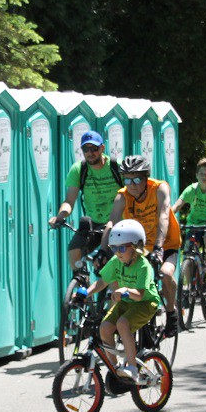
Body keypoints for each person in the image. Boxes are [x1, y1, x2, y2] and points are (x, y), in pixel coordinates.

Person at [108, 155, 181, 337]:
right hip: (140, 247)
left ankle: (171, 312)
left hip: (166, 243)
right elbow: (112, 223)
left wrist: (158, 247)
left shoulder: (159, 188)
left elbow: (163, 216)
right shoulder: (122, 196)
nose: (132, 185)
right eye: (127, 180)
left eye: (137, 180)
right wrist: (105, 248)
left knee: (165, 274)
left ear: (146, 177)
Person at [81, 219, 161, 383]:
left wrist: (125, 290)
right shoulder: (116, 261)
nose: (118, 252)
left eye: (122, 248)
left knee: (122, 324)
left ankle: (132, 368)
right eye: (114, 248)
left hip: (146, 303)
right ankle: (115, 369)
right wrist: (85, 294)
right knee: (104, 328)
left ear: (136, 247)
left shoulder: (143, 266)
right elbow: (102, 282)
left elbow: (139, 295)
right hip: (127, 301)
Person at [51, 130, 122, 269]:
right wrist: (60, 216)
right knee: (74, 251)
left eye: (94, 148)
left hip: (117, 223)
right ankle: (81, 280)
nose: (90, 153)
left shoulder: (117, 167)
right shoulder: (79, 169)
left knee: (108, 263)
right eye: (86, 149)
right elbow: (69, 201)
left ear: (102, 148)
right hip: (93, 224)